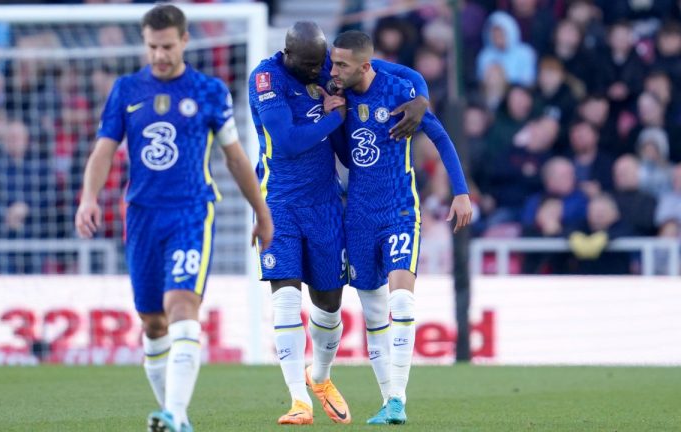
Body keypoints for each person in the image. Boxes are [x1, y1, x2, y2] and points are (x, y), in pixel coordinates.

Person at [75, 5, 273, 432]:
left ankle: (176, 415)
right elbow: (104, 151)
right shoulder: (126, 90)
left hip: (190, 212)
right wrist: (88, 198)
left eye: (167, 46)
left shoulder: (208, 91)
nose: (159, 55)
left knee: (182, 304)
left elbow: (236, 158)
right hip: (142, 216)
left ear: (184, 40)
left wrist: (261, 211)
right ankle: (175, 416)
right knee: (152, 322)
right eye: (152, 47)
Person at [248, 21, 430, 425]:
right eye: (312, 65)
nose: (320, 72)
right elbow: (287, 142)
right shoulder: (266, 79)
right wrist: (335, 119)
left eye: (323, 63)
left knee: (329, 305)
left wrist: (422, 99)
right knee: (285, 299)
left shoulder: (328, 66)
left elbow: (402, 73)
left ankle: (320, 376)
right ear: (289, 55)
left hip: (326, 204)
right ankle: (299, 401)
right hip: (279, 203)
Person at [328, 30, 472, 425]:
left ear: (364, 66)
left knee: (402, 301)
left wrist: (460, 192)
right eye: (333, 63)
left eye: (341, 65)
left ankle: (398, 400)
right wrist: (334, 118)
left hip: (399, 210)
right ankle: (386, 399)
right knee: (374, 313)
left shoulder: (397, 91)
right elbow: (347, 156)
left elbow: (441, 137)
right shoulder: (340, 93)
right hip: (358, 215)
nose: (333, 70)